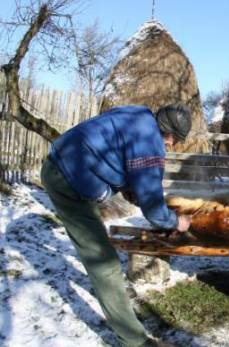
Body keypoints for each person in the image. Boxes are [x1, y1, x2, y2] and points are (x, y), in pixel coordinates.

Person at [41, 104, 192, 347]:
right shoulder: (151, 145)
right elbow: (154, 210)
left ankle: (117, 301)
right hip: (67, 180)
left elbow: (110, 150)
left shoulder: (137, 115)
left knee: (101, 252)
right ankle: (134, 341)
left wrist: (126, 187)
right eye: (175, 141)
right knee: (104, 261)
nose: (171, 146)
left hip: (67, 165)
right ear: (171, 135)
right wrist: (177, 221)